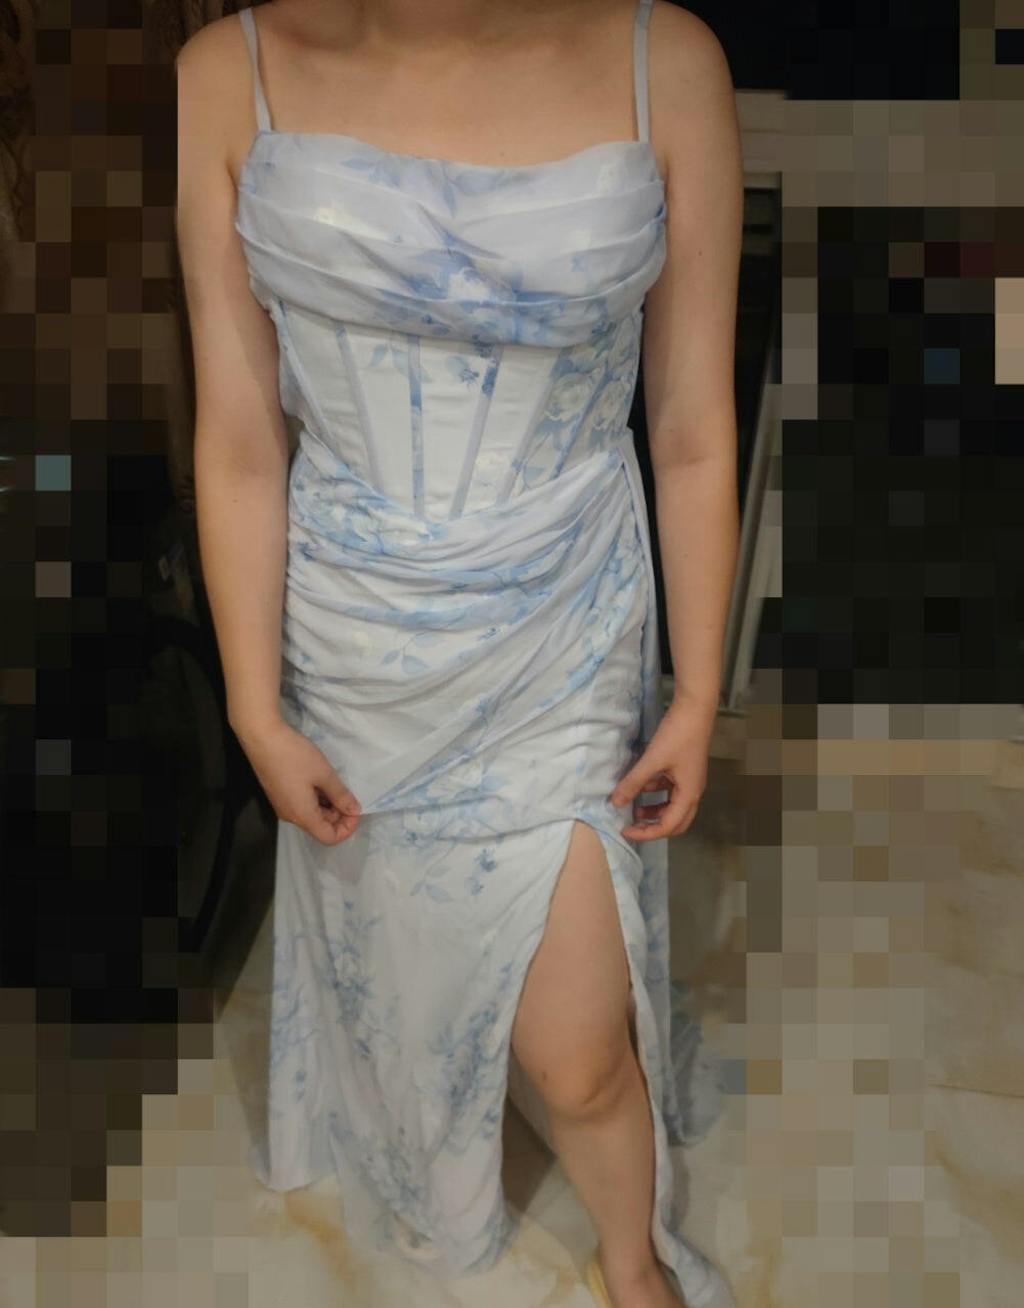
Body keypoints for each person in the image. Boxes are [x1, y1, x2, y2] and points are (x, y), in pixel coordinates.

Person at [175, 2, 743, 1305]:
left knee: (580, 1048)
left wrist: (701, 686)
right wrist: (255, 707)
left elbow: (692, 424)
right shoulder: (226, 74)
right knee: (409, 959)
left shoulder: (665, 60)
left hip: (563, 613)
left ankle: (633, 1257)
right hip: (354, 630)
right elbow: (242, 438)